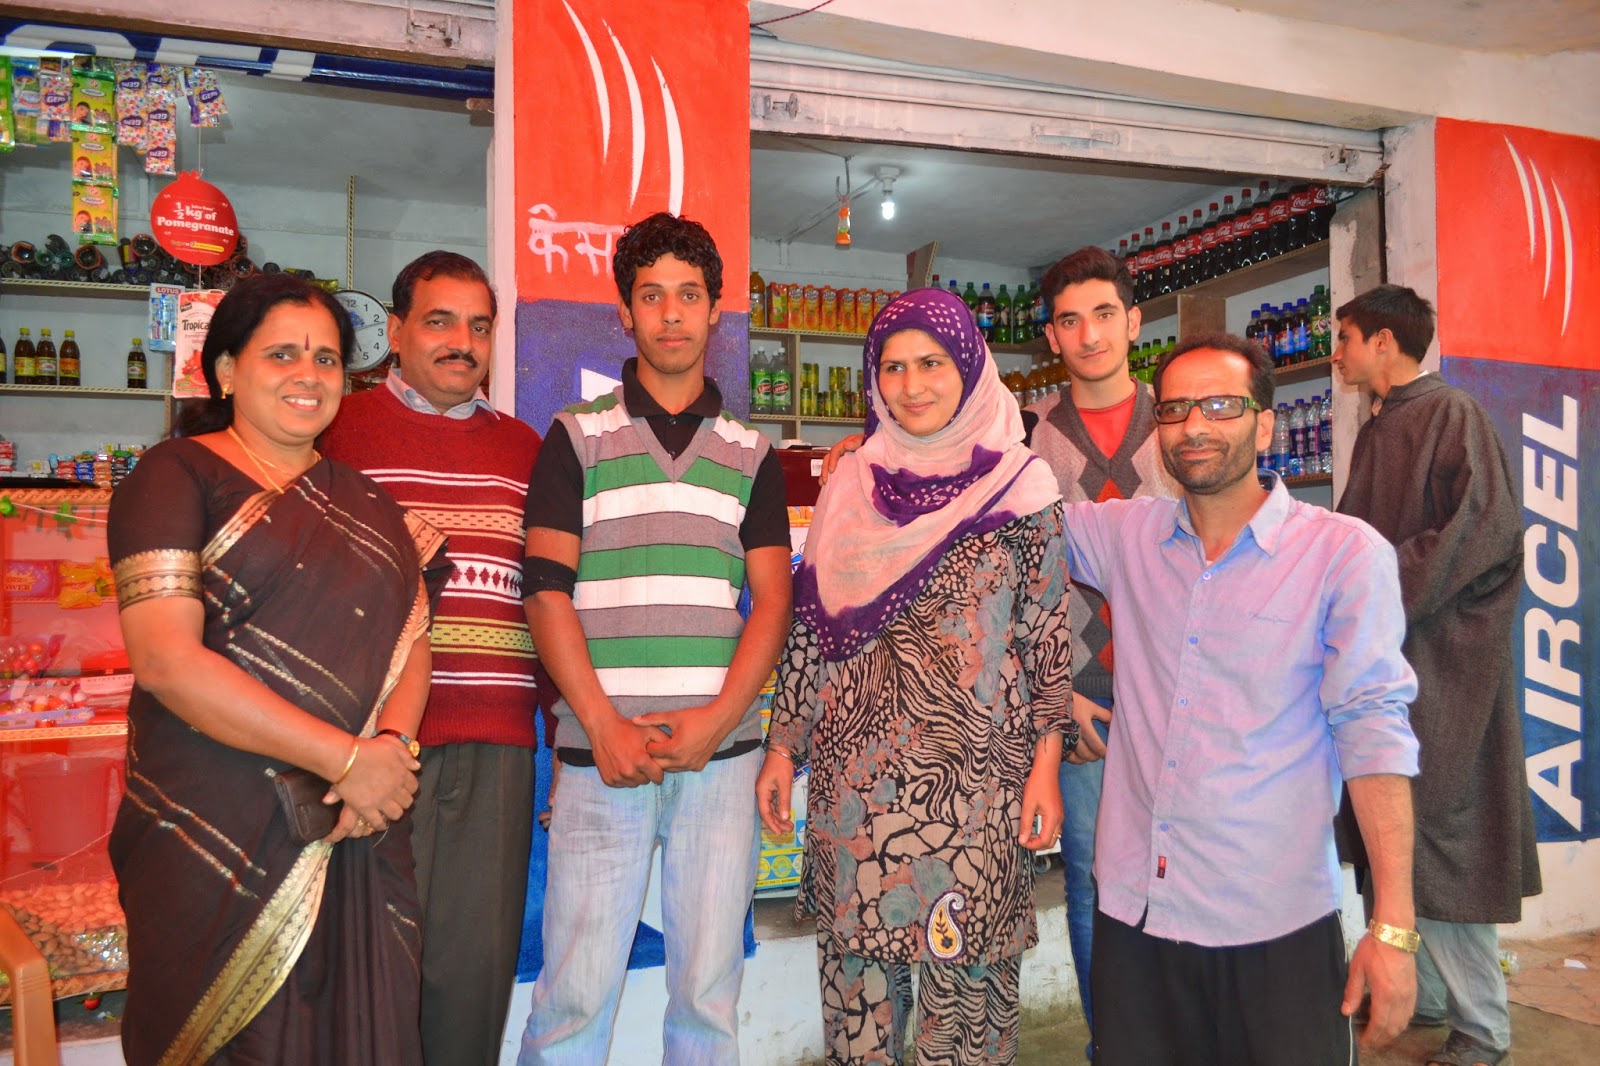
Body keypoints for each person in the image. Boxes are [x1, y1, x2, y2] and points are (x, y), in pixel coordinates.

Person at [107, 273, 443, 1065]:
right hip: (215, 823)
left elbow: (412, 642)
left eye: (326, 359)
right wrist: (350, 762)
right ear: (226, 369)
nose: (309, 375)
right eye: (282, 354)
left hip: (358, 822)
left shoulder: (369, 504)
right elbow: (165, 660)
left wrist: (388, 755)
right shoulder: (174, 475)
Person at [1063, 332, 1423, 1066]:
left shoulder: (1343, 555)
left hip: (1273, 925)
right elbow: (994, 525)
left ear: (1264, 426)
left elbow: (1373, 735)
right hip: (1137, 918)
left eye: (1221, 406)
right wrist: (863, 455)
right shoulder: (1124, 535)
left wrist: (1392, 928)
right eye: (1175, 409)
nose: (1194, 426)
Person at [758, 287, 1074, 1066]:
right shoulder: (850, 485)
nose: (911, 385)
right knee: (859, 1011)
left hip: (976, 794)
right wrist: (782, 749)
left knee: (964, 1012)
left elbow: (1046, 637)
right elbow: (810, 633)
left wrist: (1047, 765)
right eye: (892, 368)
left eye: (931, 363)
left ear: (969, 366)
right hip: (855, 796)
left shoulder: (1021, 487)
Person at [517, 212, 792, 1065]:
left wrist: (718, 722)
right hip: (602, 755)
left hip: (722, 759)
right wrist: (600, 722)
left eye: (689, 295)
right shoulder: (575, 437)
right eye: (651, 296)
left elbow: (773, 603)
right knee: (572, 996)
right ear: (625, 312)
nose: (672, 314)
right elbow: (544, 593)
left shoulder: (752, 454)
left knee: (708, 997)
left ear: (716, 311)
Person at [323, 250, 544, 1066]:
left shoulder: (526, 449)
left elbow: (548, 598)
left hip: (495, 745)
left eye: (479, 326)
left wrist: (562, 733)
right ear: (395, 331)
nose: (462, 342)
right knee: (365, 970)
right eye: (440, 321)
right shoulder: (338, 431)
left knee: (473, 973)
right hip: (367, 746)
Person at [1332, 285, 1539, 1066]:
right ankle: (1428, 998)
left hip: (1445, 669)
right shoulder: (1378, 427)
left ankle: (1483, 1029)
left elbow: (1489, 532)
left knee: (1442, 834)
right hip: (1390, 663)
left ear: (1384, 342)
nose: (1337, 353)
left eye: (1346, 338)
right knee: (1392, 833)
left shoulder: (1453, 414)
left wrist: (1379, 583)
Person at [1023, 247, 1176, 1058]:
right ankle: (1111, 1048)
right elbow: (1016, 581)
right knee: (1093, 882)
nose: (1089, 335)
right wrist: (1057, 696)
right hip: (1081, 699)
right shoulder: (1024, 437)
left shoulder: (1183, 422)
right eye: (1070, 320)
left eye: (1105, 314)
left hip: (1178, 694)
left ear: (1135, 321)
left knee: (1185, 875)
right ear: (1051, 336)